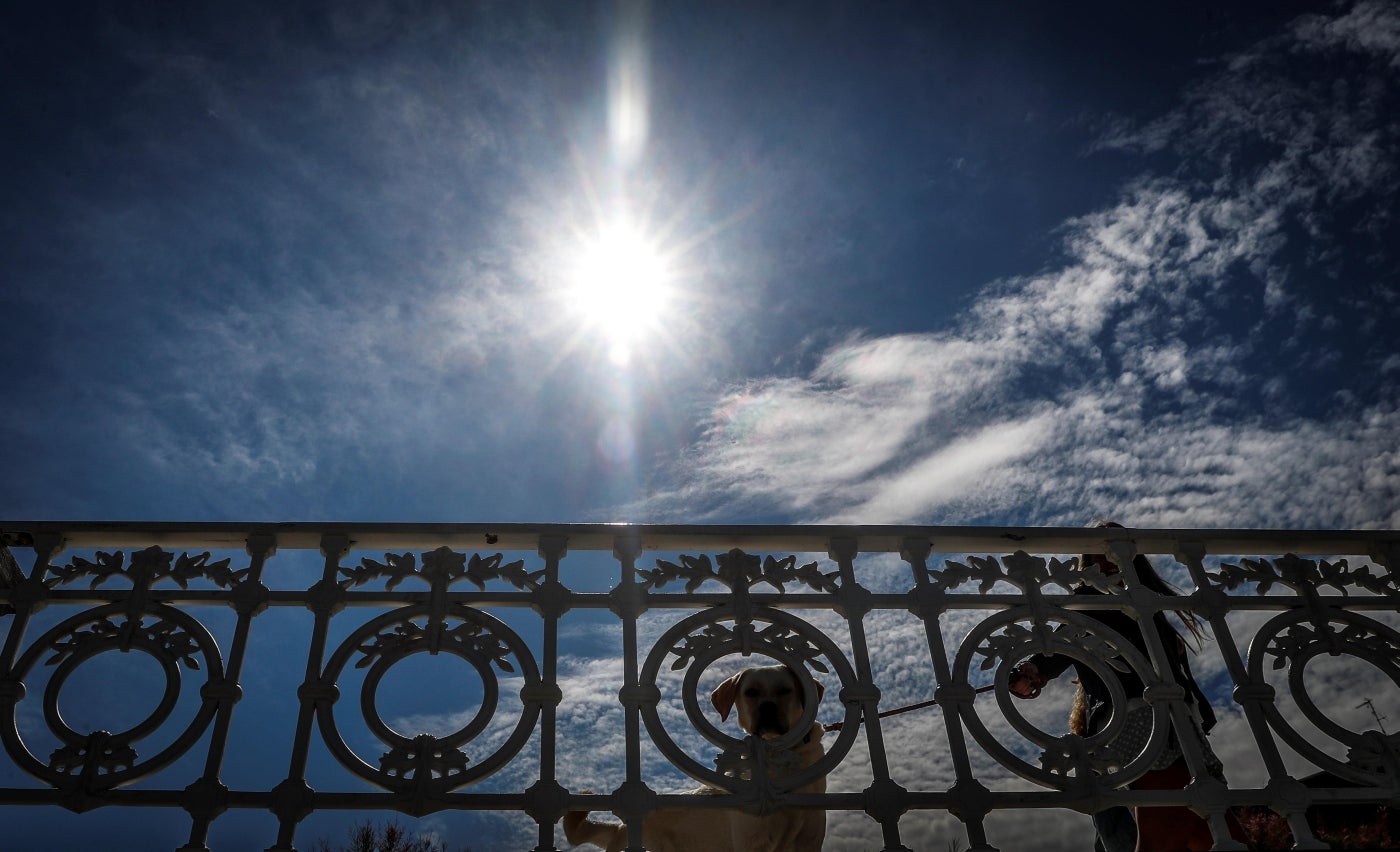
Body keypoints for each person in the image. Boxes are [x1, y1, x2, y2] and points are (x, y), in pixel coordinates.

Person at [1009, 522, 1223, 852]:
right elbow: (1066, 639)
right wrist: (1035, 671)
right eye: (1098, 560)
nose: (1108, 564)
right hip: (1138, 721)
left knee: (1206, 831)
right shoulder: (1088, 599)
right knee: (1179, 831)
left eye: (1114, 557)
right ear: (1088, 567)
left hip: (1178, 724)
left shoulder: (1149, 605)